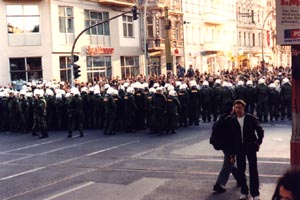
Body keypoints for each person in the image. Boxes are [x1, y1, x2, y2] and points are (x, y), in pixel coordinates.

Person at [231, 99, 264, 200]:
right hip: (239, 148)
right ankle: (244, 191)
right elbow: (230, 137)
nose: (237, 110)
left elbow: (260, 131)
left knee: (253, 170)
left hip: (250, 146)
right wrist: (232, 154)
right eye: (236, 108)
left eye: (239, 108)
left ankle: (255, 193)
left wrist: (258, 142)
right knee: (241, 170)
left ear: (243, 108)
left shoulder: (251, 118)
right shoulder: (232, 120)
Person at [212, 106, 240, 193]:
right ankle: (219, 184)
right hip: (230, 146)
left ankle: (240, 178)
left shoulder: (222, 118)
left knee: (230, 162)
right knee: (228, 164)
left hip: (223, 145)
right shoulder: (231, 120)